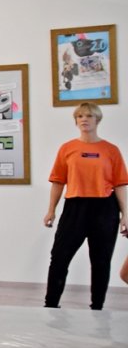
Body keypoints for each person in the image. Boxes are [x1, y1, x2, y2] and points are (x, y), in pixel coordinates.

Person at [43, 102, 128, 310]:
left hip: (105, 209)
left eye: (89, 116)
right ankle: (50, 304)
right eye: (80, 116)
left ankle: (97, 306)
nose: (84, 120)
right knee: (59, 257)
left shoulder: (111, 150)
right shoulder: (68, 149)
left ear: (97, 120)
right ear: (76, 121)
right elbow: (58, 182)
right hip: (75, 208)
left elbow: (119, 185)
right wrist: (51, 210)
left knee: (100, 260)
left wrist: (126, 214)